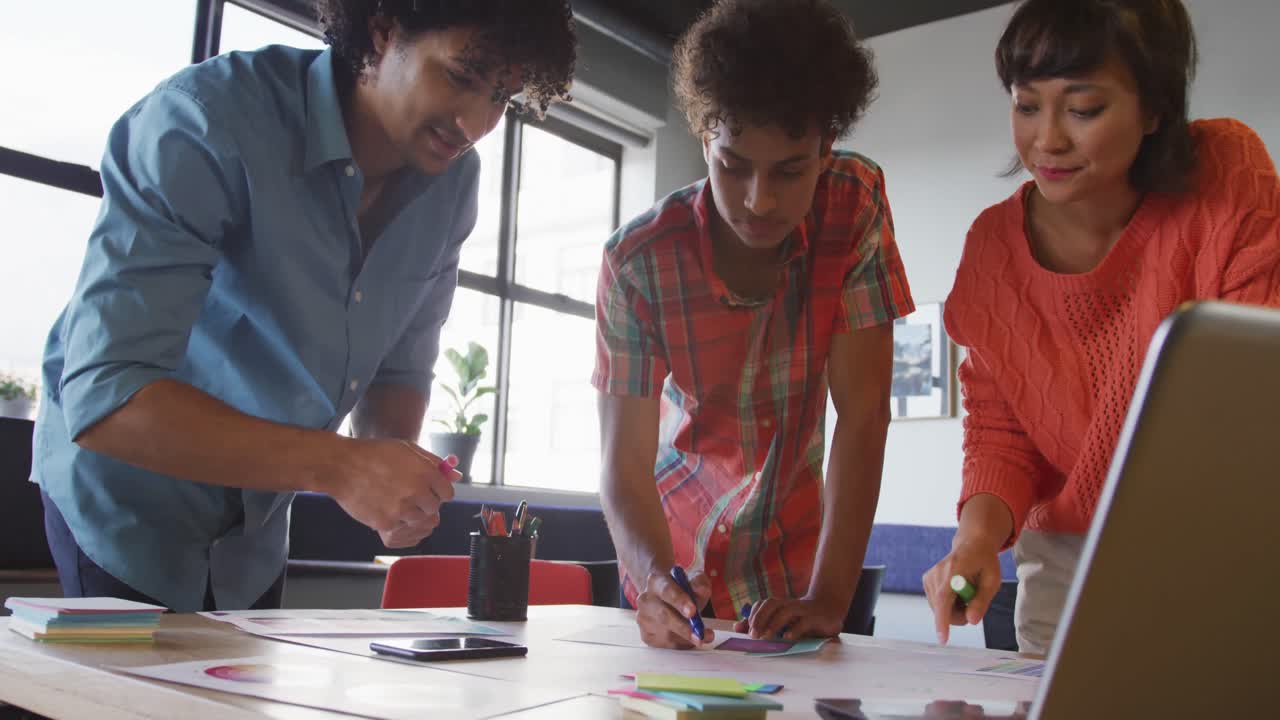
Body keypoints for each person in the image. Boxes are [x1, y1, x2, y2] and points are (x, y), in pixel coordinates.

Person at [31, 0, 575, 612]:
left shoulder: (453, 183)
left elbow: (400, 365)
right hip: (129, 500)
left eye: (502, 96)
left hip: (257, 528)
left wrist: (394, 479)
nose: (475, 122)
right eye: (461, 76)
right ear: (383, 31)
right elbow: (105, 393)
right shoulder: (206, 119)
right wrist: (342, 468)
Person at [924, 0, 1280, 654]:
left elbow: (1254, 391)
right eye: (1027, 105)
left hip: (1225, 538)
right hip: (1065, 561)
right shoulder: (992, 253)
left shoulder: (1227, 176)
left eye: (1083, 109)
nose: (1047, 139)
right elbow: (1001, 434)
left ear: (1154, 108)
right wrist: (975, 543)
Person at [595, 0, 914, 649]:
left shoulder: (854, 202)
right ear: (704, 134)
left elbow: (863, 415)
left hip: (797, 569)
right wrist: (656, 580)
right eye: (733, 165)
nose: (758, 200)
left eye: (789, 170)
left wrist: (829, 595)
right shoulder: (637, 264)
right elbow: (623, 462)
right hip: (672, 561)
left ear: (826, 147)